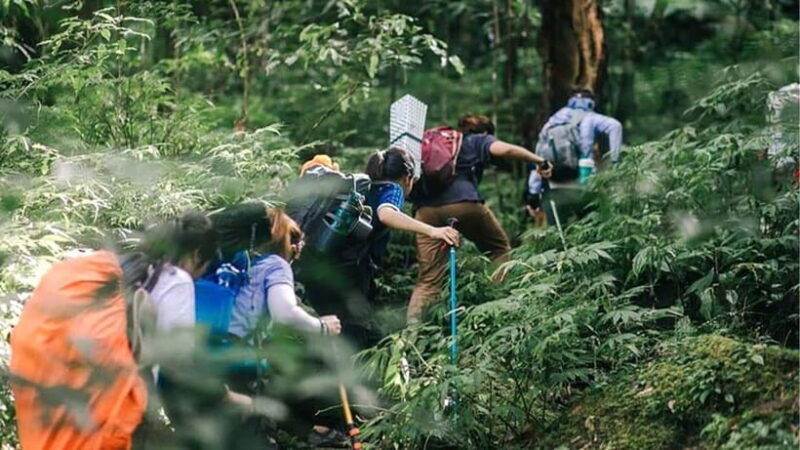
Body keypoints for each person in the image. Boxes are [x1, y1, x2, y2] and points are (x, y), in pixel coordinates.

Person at [9, 212, 224, 450]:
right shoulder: (176, 279)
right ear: (195, 256)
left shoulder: (126, 268)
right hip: (119, 408)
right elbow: (180, 367)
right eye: (204, 267)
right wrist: (227, 397)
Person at [408, 114, 551, 322]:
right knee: (498, 249)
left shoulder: (441, 140)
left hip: (425, 212)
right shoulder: (477, 140)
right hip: (464, 204)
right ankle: (493, 310)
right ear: (485, 132)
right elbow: (507, 150)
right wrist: (540, 161)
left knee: (429, 280)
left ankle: (411, 338)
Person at [529, 89, 623, 226]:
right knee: (592, 235)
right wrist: (615, 162)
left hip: (555, 188)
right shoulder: (590, 117)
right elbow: (615, 126)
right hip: (584, 185)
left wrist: (533, 195)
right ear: (591, 103)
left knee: (558, 236)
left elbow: (537, 159)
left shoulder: (551, 123)